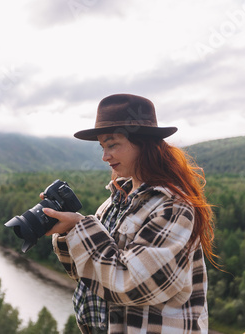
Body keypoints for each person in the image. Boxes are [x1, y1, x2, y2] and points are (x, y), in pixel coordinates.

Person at [42, 94, 216, 334]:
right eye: (102, 147)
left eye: (112, 145)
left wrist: (79, 227)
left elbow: (129, 284)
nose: (105, 156)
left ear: (143, 143)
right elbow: (88, 274)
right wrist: (66, 231)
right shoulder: (114, 201)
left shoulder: (173, 206)